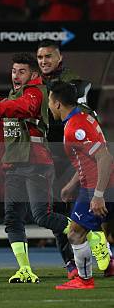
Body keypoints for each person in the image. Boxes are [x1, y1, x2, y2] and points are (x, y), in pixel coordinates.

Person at [0, 53, 76, 283]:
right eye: (14, 71)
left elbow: (23, 107)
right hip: (14, 163)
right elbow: (13, 105)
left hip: (35, 161)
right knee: (12, 219)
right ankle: (25, 269)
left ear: (34, 74)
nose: (16, 76)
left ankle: (90, 233)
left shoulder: (37, 92)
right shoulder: (16, 93)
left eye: (22, 71)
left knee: (42, 216)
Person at [48, 82, 114, 289]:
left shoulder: (75, 128)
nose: (49, 106)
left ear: (57, 104)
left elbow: (104, 158)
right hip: (104, 184)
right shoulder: (83, 117)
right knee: (111, 235)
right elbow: (88, 158)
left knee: (75, 233)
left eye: (49, 101)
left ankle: (84, 280)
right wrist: (71, 184)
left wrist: (98, 195)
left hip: (97, 187)